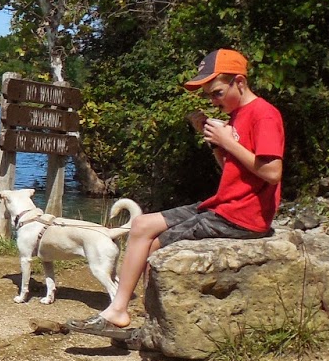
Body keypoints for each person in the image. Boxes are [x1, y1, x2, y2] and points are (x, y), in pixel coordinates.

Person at [75, 49, 285, 333]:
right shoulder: (236, 115)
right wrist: (214, 141)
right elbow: (232, 171)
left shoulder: (264, 115)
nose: (213, 101)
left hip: (242, 217)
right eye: (209, 95)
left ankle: (138, 317)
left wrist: (228, 140)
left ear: (240, 82)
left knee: (152, 248)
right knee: (141, 225)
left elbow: (272, 173)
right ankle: (119, 308)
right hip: (223, 206)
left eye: (217, 93)